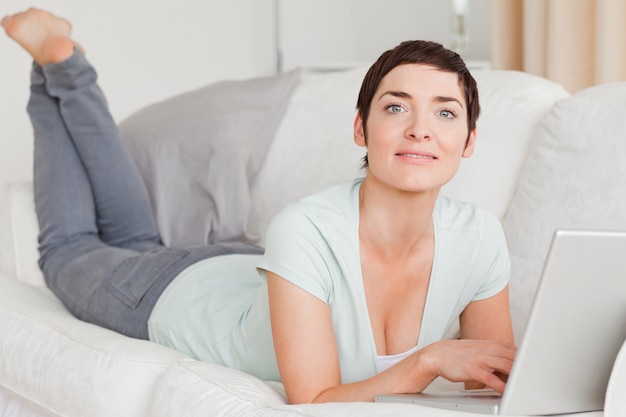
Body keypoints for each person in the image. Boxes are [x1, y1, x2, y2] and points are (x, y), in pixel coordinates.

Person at [2, 8, 516, 405]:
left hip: (241, 268)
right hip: (165, 295)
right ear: (361, 128)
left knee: (135, 238)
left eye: (445, 112)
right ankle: (56, 63)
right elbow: (314, 400)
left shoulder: (480, 237)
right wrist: (428, 361)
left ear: (469, 140)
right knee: (68, 248)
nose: (420, 128)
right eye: (396, 106)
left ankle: (64, 62)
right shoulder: (306, 227)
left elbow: (495, 384)